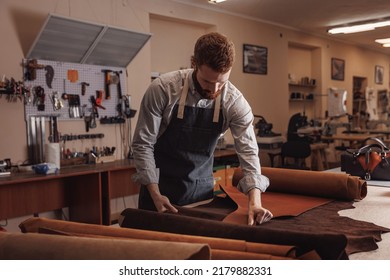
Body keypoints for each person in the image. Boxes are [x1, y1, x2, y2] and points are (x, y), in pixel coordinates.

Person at [132, 32, 273, 225]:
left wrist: (255, 202)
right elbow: (143, 144)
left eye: (221, 83)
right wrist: (155, 194)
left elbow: (248, 152)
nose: (214, 90)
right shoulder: (163, 89)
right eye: (207, 82)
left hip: (202, 196)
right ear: (194, 63)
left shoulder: (234, 102)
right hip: (158, 194)